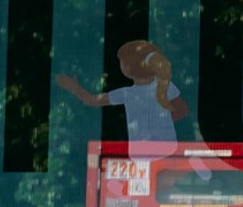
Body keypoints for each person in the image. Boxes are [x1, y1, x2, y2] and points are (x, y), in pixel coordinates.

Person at [56, 39, 186, 151]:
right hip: (167, 148)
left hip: (139, 151)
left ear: (127, 69)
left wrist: (73, 87)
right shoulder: (165, 86)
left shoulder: (127, 93)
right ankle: (192, 162)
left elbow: (92, 101)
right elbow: (182, 110)